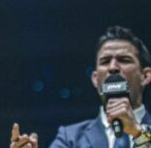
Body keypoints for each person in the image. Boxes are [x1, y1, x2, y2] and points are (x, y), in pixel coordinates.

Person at [11, 26, 151, 148]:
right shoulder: (69, 137)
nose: (113, 67)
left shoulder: (143, 132)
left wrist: (139, 134)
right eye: (105, 61)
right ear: (95, 79)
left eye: (124, 60)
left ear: (145, 76)